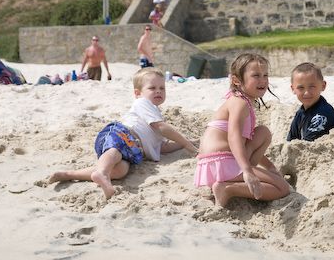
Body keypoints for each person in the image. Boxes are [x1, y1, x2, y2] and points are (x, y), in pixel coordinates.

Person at [49, 68, 198, 199]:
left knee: (120, 170)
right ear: (138, 93)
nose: (158, 91)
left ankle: (70, 175)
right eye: (152, 88)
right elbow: (161, 127)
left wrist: (185, 143)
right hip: (121, 133)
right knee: (115, 151)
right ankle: (101, 173)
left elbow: (162, 147)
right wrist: (188, 145)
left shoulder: (155, 113)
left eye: (162, 88)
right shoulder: (143, 103)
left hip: (133, 150)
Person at [194, 53, 291, 208]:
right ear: (236, 80)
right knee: (282, 188)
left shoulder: (239, 100)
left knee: (263, 132)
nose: (263, 80)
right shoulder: (240, 103)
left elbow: (245, 143)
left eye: (265, 75)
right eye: (256, 75)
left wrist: (270, 167)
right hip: (221, 162)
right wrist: (247, 171)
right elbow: (234, 138)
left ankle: (234, 180)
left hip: (212, 164)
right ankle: (228, 189)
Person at [287, 62, 334, 142]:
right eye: (301, 88)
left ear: (323, 86)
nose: (306, 93)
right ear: (293, 89)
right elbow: (291, 140)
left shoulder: (323, 113)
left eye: (312, 87)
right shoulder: (300, 113)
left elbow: (308, 144)